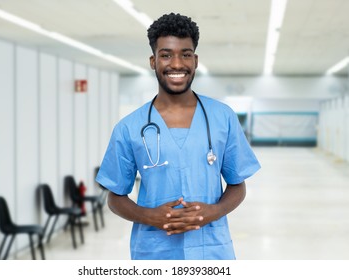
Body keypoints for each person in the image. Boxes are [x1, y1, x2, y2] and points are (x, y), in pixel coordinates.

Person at [96, 12, 260, 260]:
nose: (176, 64)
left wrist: (212, 212)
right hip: (154, 252)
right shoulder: (129, 128)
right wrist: (150, 216)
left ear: (195, 60)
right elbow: (115, 197)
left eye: (185, 54)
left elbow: (238, 185)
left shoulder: (222, 117)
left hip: (211, 251)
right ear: (153, 61)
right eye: (166, 55)